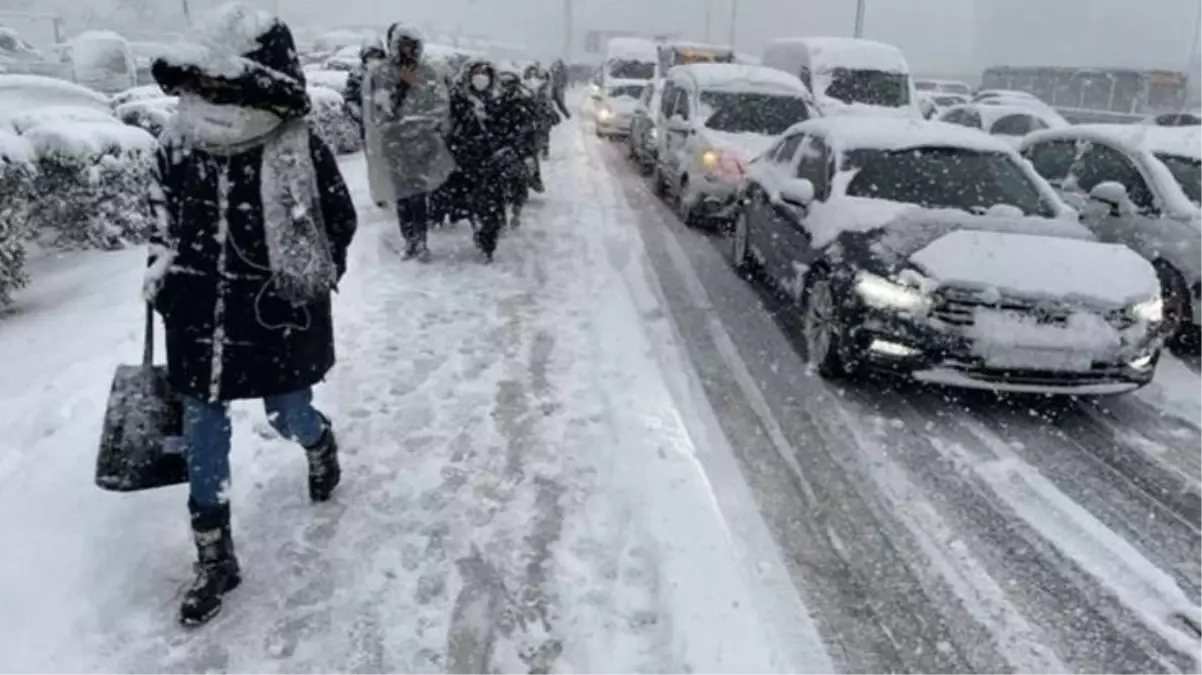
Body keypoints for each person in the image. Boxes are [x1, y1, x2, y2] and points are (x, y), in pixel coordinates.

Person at [144, 3, 357, 627]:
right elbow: (160, 220)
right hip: (198, 314)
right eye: (203, 82)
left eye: (222, 82)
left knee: (286, 413)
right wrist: (162, 275)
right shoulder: (177, 142)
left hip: (274, 315)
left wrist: (304, 281)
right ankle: (214, 557)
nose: (209, 93)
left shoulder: (296, 146)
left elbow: (336, 222)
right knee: (203, 426)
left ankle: (319, 444)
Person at [370, 23, 456, 261]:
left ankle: (421, 241)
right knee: (402, 196)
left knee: (418, 195)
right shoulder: (384, 73)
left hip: (421, 144)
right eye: (403, 45)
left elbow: (439, 105)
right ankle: (409, 240)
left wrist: (425, 124)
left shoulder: (428, 73)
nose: (407, 50)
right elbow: (380, 108)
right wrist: (402, 88)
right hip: (395, 144)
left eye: (411, 45)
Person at [446, 59, 514, 261]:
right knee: (470, 202)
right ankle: (477, 225)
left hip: (492, 162)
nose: (481, 78)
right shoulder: (458, 100)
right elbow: (449, 128)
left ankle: (487, 240)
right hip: (465, 161)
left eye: (485, 73)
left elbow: (507, 129)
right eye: (477, 73)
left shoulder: (499, 101)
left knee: (490, 205)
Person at [495, 70, 540, 227]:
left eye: (508, 85)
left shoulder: (524, 103)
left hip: (519, 150)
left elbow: (531, 128)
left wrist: (526, 150)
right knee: (497, 186)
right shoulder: (495, 102)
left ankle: (516, 212)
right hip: (500, 149)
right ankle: (501, 217)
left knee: (519, 182)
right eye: (503, 85)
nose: (505, 88)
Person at [343, 38, 386, 140]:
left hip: (387, 126)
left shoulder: (388, 73)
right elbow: (350, 98)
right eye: (370, 57)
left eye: (377, 56)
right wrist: (359, 114)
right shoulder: (356, 74)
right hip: (367, 125)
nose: (373, 60)